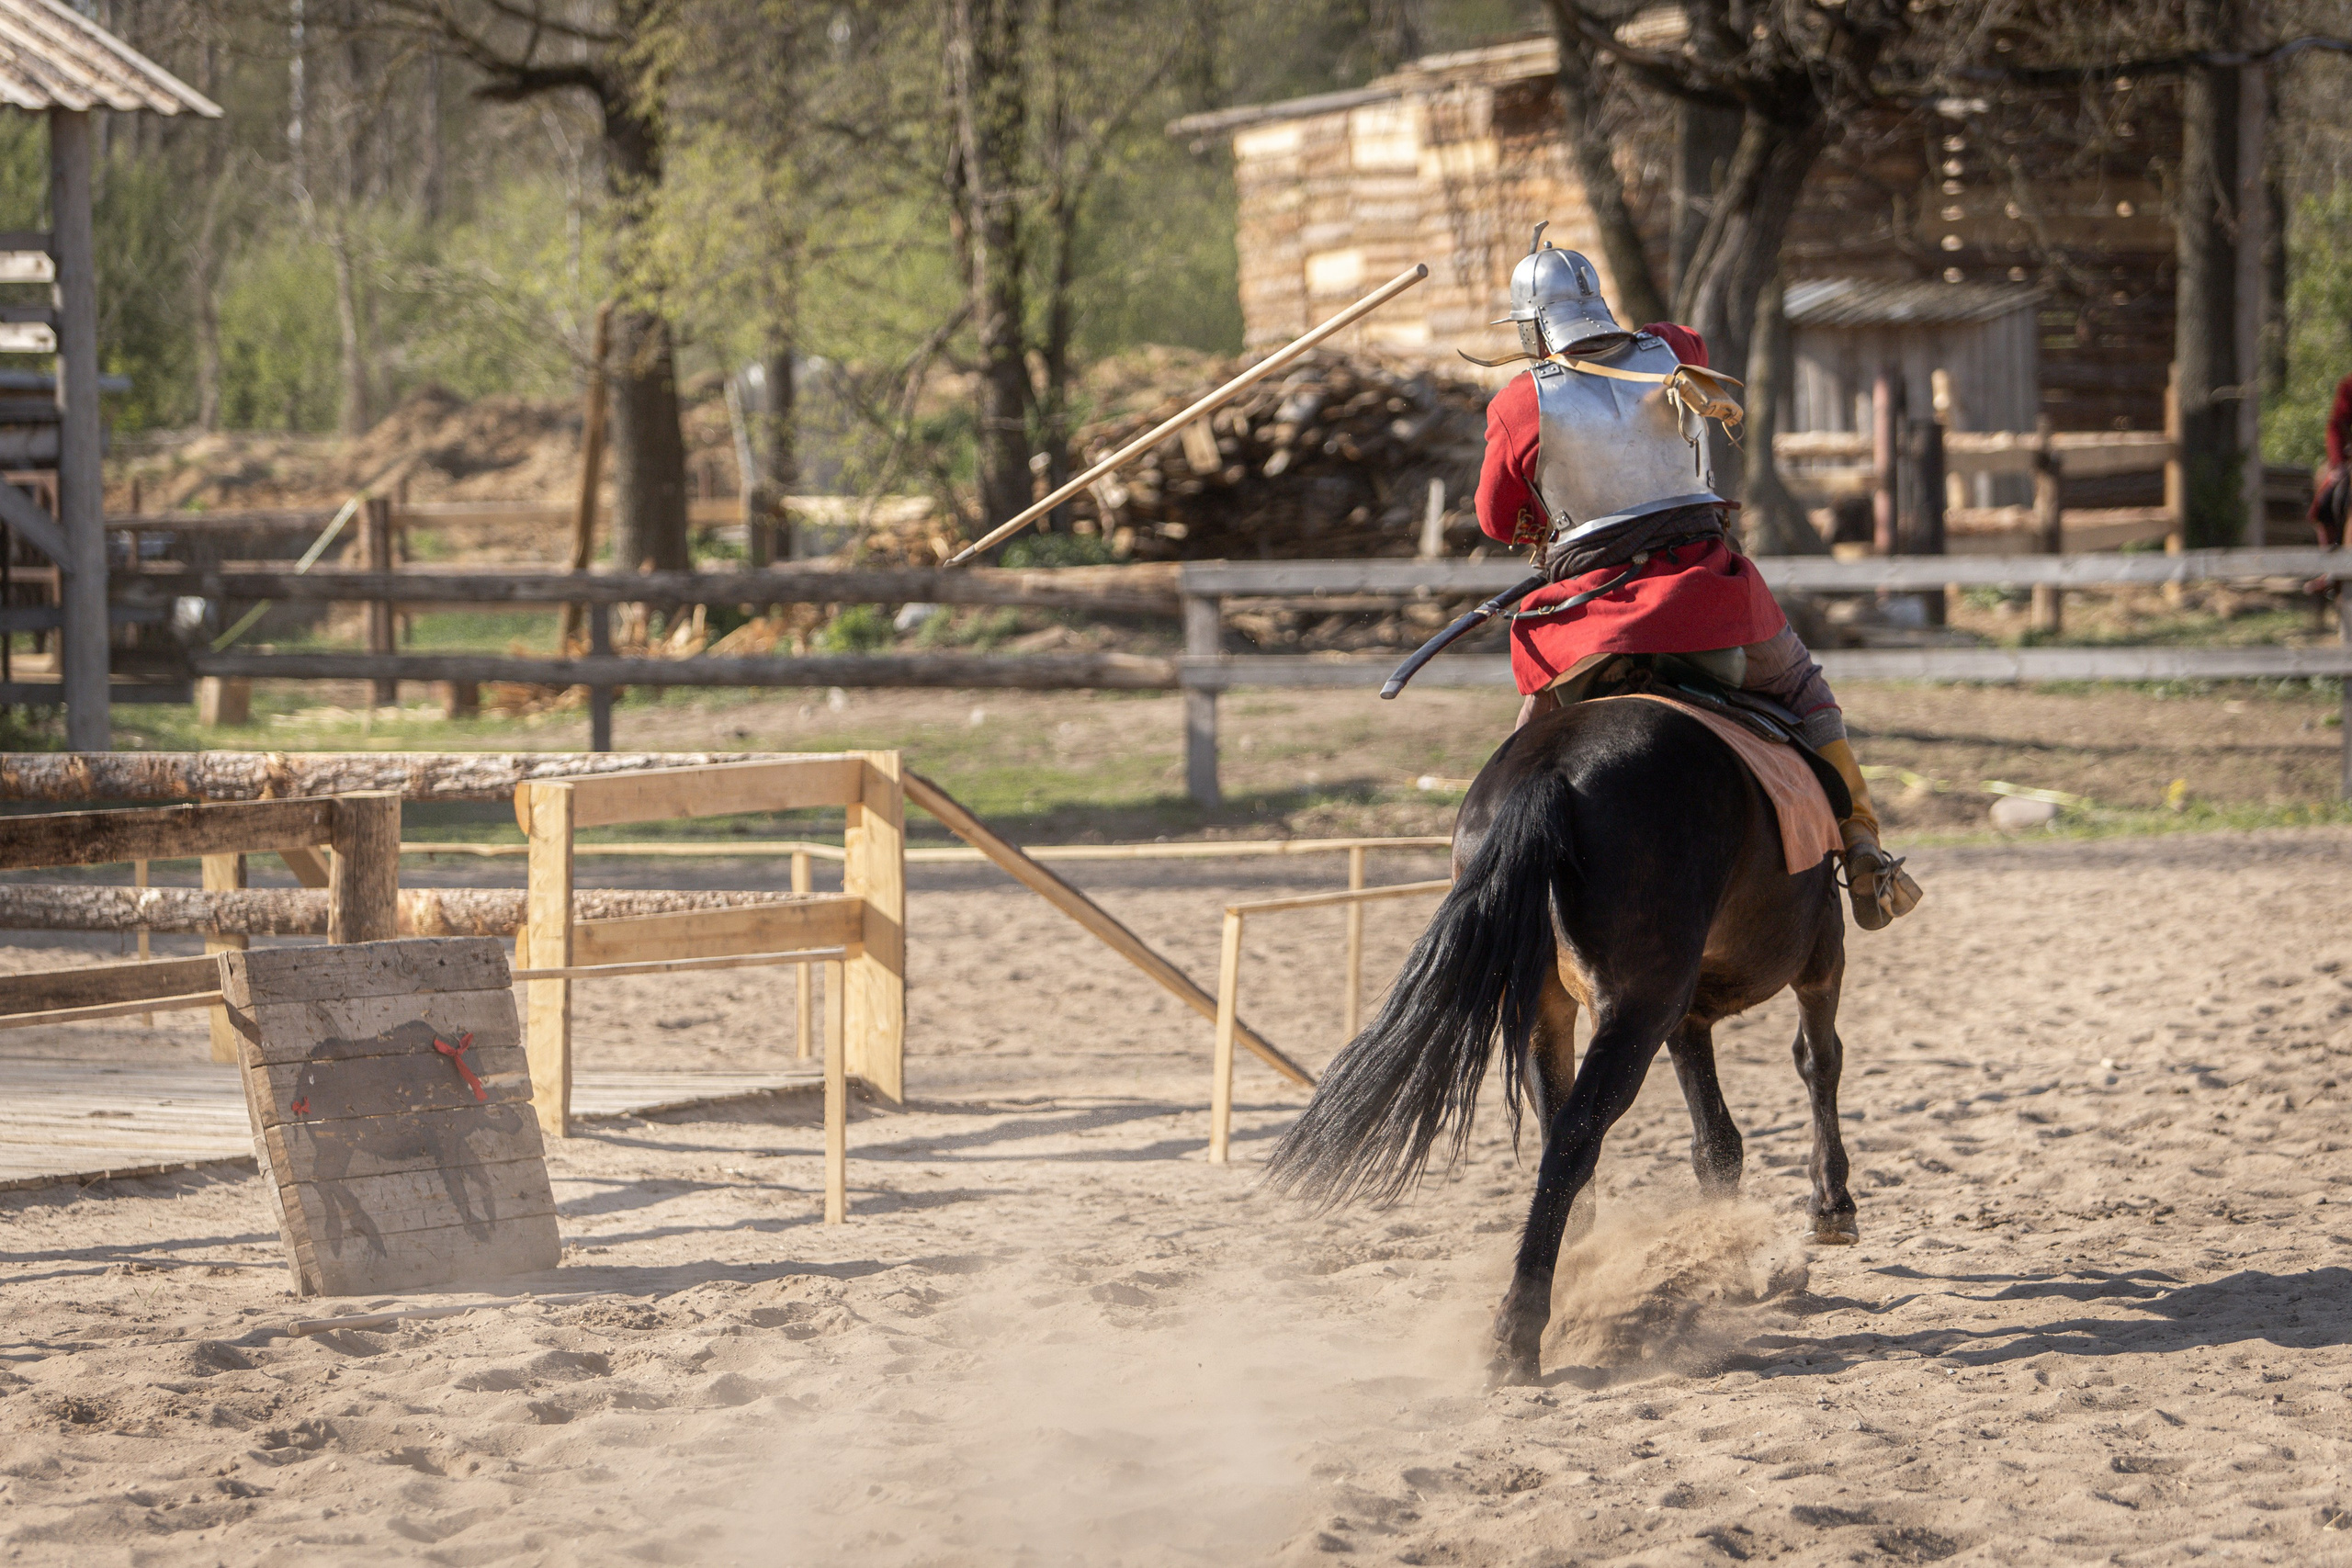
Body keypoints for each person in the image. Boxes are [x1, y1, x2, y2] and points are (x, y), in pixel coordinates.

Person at [1471, 227, 1920, 930]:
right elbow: (1679, 333)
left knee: (1525, 752)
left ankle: (1485, 902)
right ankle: (1863, 852)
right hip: (1706, 600)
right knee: (1805, 691)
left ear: (1532, 328)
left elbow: (1499, 519)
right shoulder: (1673, 352)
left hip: (1590, 627)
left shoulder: (1519, 402)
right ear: (1598, 304)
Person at [2310, 371, 2350, 552]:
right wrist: (2338, 464)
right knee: (2326, 496)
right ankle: (2328, 565)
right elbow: (2336, 426)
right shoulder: (2349, 385)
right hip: (2350, 460)